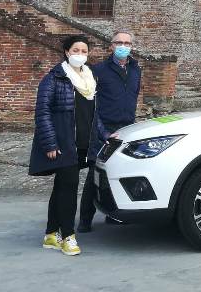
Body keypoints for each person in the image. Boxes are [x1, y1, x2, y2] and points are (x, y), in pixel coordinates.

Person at [29, 34, 107, 256]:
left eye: (84, 51)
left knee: (61, 187)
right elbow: (42, 113)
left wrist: (104, 134)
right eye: (75, 50)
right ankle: (68, 236)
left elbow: (94, 114)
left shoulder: (91, 79)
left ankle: (51, 234)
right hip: (63, 143)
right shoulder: (54, 78)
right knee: (69, 188)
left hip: (84, 143)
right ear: (66, 52)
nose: (80, 55)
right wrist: (50, 143)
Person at [78, 30, 141, 232]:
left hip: (126, 128)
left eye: (127, 43)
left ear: (131, 47)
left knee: (118, 173)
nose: (123, 46)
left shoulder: (135, 70)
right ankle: (85, 220)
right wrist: (102, 131)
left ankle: (114, 215)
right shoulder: (98, 70)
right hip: (104, 129)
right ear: (111, 46)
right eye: (119, 42)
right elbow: (91, 105)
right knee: (95, 176)